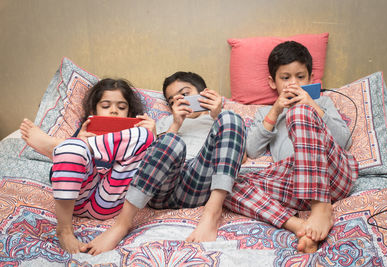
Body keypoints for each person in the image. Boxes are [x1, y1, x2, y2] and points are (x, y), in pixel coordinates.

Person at [81, 71, 247, 255]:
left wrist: (217, 114)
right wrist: (175, 124)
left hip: (200, 183)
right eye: (172, 100)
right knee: (170, 141)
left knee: (232, 117)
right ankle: (122, 224)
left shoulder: (219, 119)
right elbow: (149, 159)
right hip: (162, 187)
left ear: (203, 92)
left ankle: (212, 213)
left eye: (185, 94)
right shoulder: (163, 122)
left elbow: (243, 156)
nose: (180, 101)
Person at [224, 41, 359, 253]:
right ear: (272, 82)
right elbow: (252, 150)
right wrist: (276, 109)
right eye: (285, 78)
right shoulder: (266, 114)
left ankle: (321, 207)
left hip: (331, 175)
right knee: (226, 184)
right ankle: (300, 226)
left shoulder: (322, 103)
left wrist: (310, 105)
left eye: (300, 77)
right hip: (294, 184)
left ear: (311, 78)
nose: (293, 83)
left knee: (299, 112)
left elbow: (344, 141)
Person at [19, 78, 156, 254]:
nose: (114, 111)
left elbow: (152, 171)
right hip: (76, 199)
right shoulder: (82, 133)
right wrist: (80, 140)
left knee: (144, 135)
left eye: (121, 108)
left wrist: (153, 136)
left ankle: (56, 146)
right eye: (106, 106)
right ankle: (64, 230)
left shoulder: (136, 136)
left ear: (129, 112)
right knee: (74, 148)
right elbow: (58, 175)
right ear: (94, 110)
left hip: (110, 202)